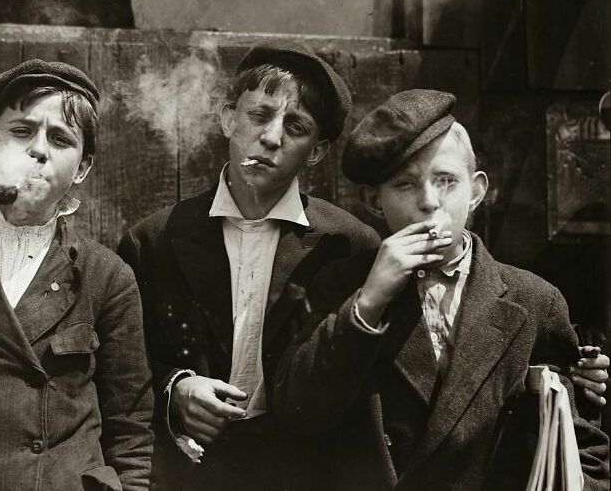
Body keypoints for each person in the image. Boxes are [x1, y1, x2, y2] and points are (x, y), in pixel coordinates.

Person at [272, 89, 610, 490]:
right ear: (373, 201)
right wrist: (369, 302)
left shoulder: (532, 299)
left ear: (477, 190)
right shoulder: (343, 285)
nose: (429, 202)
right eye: (405, 184)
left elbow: (580, 449)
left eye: (446, 181)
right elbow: (300, 412)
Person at [117, 41, 380, 490]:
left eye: (296, 127)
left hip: (306, 473)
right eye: (259, 115)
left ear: (315, 152)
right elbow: (124, 368)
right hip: (192, 474)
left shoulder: (349, 247)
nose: (272, 137)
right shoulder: (154, 240)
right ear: (228, 120)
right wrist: (175, 389)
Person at [0, 60, 155, 491]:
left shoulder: (106, 277)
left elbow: (131, 431)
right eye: (22, 131)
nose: (39, 149)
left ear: (82, 168)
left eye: (60, 139)